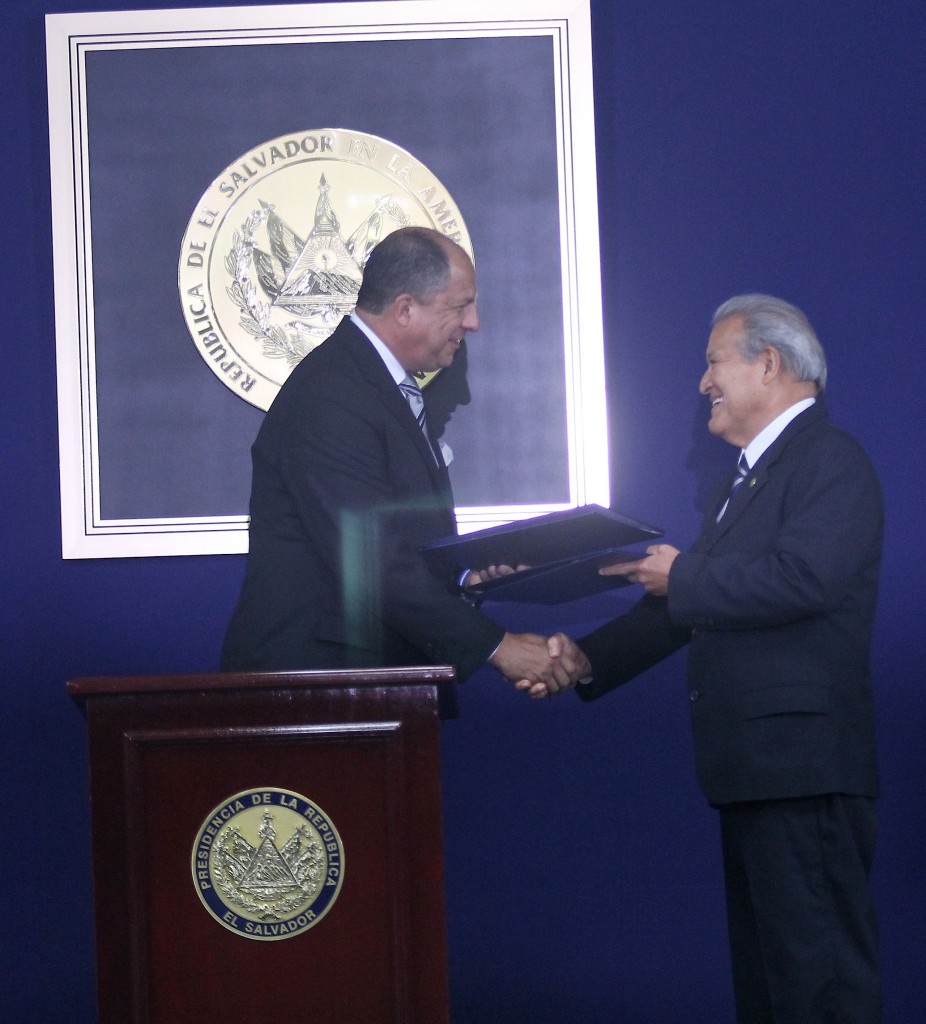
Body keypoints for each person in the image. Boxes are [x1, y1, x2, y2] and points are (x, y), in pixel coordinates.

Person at [525, 295, 884, 1023]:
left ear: (769, 364)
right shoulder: (748, 479)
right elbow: (692, 605)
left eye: (714, 361)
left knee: (818, 986)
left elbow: (805, 579)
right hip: (758, 770)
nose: (703, 383)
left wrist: (683, 575)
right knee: (773, 987)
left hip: (801, 770)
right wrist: (584, 659)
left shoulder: (829, 459)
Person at [221, 225, 587, 691]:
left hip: (363, 685)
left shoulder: (372, 385)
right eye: (460, 306)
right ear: (406, 309)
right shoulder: (332, 395)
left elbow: (397, 541)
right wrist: (498, 647)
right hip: (314, 688)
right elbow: (370, 561)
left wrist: (465, 577)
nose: (474, 323)